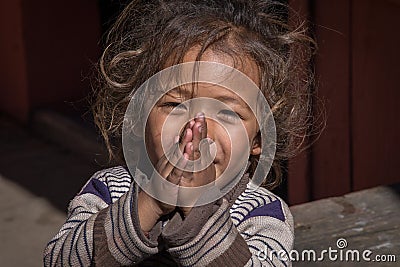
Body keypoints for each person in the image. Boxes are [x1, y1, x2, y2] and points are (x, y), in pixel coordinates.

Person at [44, 0, 315, 266]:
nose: (196, 128)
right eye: (175, 105)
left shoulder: (261, 213)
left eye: (226, 113)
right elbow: (59, 261)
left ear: (259, 138)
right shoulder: (109, 190)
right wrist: (148, 203)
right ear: (140, 116)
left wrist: (199, 215)